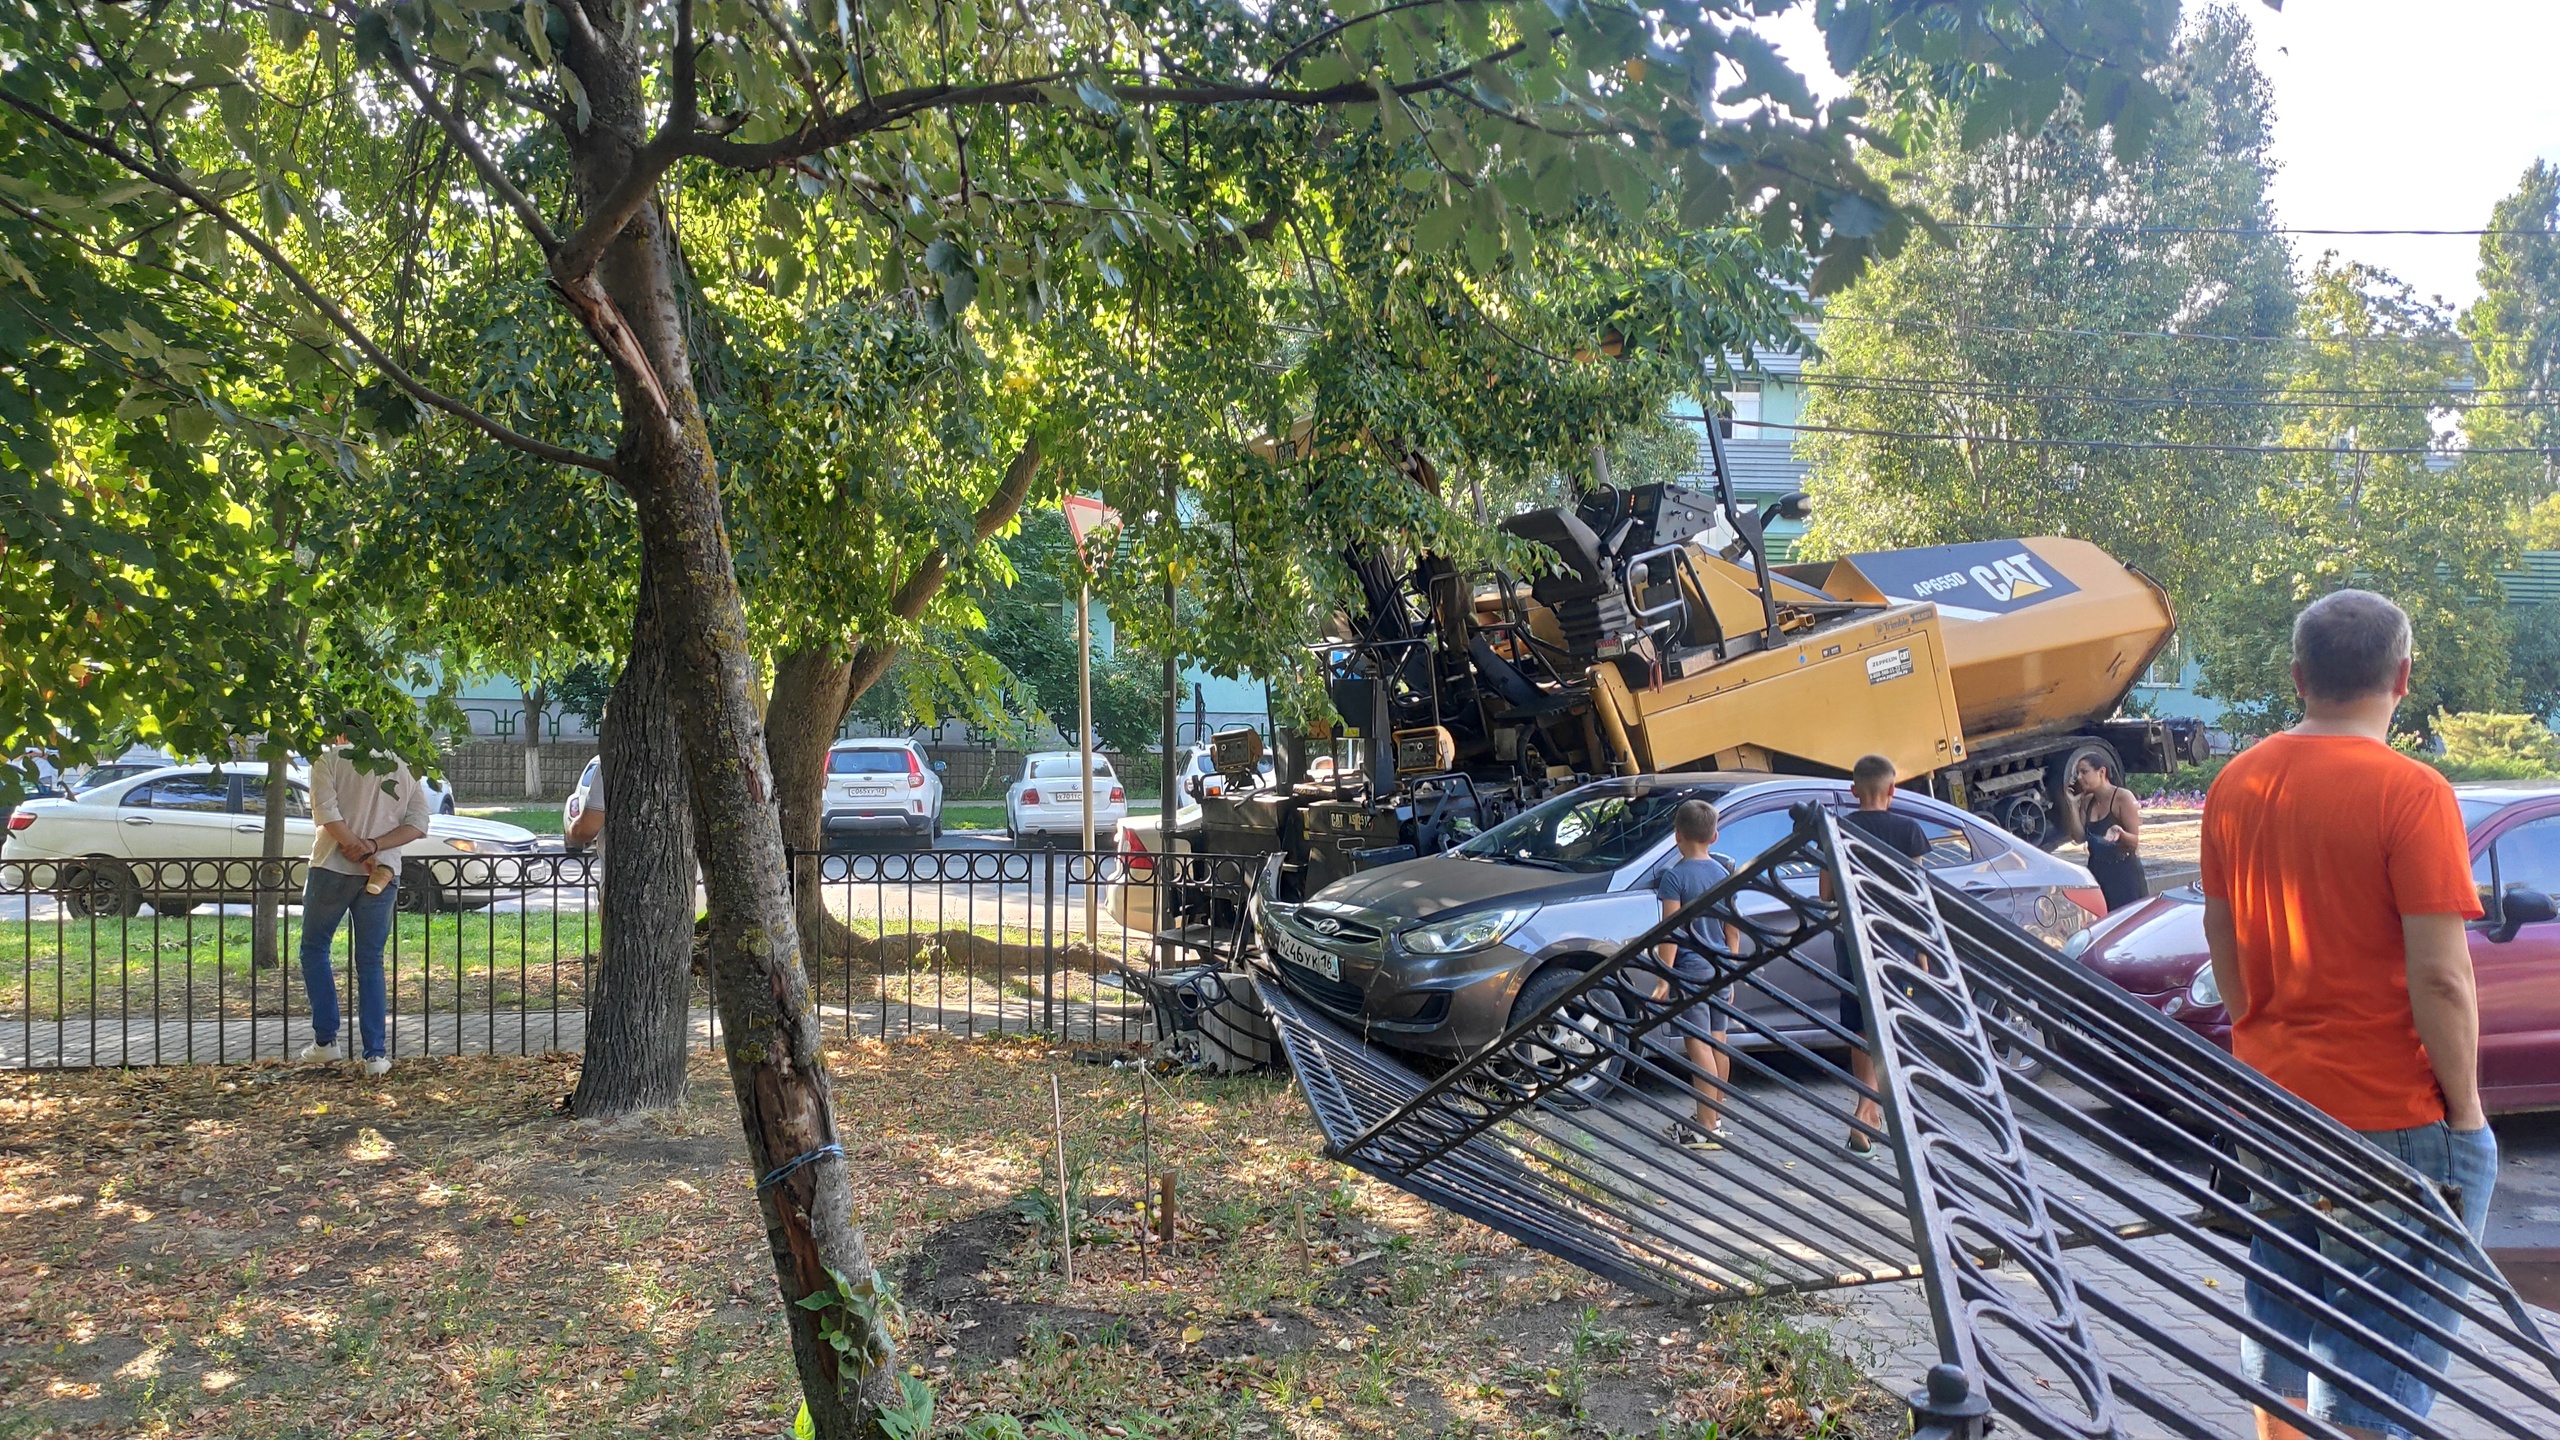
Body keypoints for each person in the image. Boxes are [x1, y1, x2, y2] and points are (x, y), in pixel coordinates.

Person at [2200, 589, 2494, 1440]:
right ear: (2403, 677)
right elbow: (2441, 977)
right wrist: (2467, 1114)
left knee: (2282, 1317)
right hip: (2386, 1114)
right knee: (2377, 1357)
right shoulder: (2413, 792)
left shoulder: (2236, 783)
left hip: (2270, 1102)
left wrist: (2271, 1040)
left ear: (2299, 678)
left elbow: (2227, 957)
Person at [298, 746, 433, 1076]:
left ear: (341, 731)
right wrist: (372, 848)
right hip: (383, 870)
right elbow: (418, 823)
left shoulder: (329, 759)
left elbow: (326, 812)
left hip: (331, 866)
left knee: (315, 950)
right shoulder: (404, 762)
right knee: (370, 960)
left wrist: (353, 847)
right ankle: (375, 1055)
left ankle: (326, 1041)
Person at [1832, 754, 1933, 1155]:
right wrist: (1923, 948)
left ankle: (1868, 1112)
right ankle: (1865, 1111)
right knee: (1888, 1025)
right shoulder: (1909, 830)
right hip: (1897, 941)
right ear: (1894, 789)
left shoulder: (1838, 829)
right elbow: (1917, 896)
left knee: (1859, 1027)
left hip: (1852, 939)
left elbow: (1827, 893)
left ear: (1853, 790)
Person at [1651, 798, 1743, 1151]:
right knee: (1719, 1038)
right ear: (1714, 836)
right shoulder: (1723, 875)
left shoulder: (1675, 878)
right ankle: (1715, 1117)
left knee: (1697, 1042)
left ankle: (1706, 1127)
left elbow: (1670, 931)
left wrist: (1663, 977)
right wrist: (1732, 970)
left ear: (1677, 836)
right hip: (1721, 967)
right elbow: (1733, 931)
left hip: (1691, 970)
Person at [2062, 752, 2146, 911]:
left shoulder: (2122, 797)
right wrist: (2072, 804)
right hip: (2098, 872)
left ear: (2101, 772)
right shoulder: (2087, 801)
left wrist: (2120, 833)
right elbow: (2079, 837)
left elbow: (2135, 842)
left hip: (2124, 874)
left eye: (2084, 772)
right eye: (2078, 773)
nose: (2079, 777)